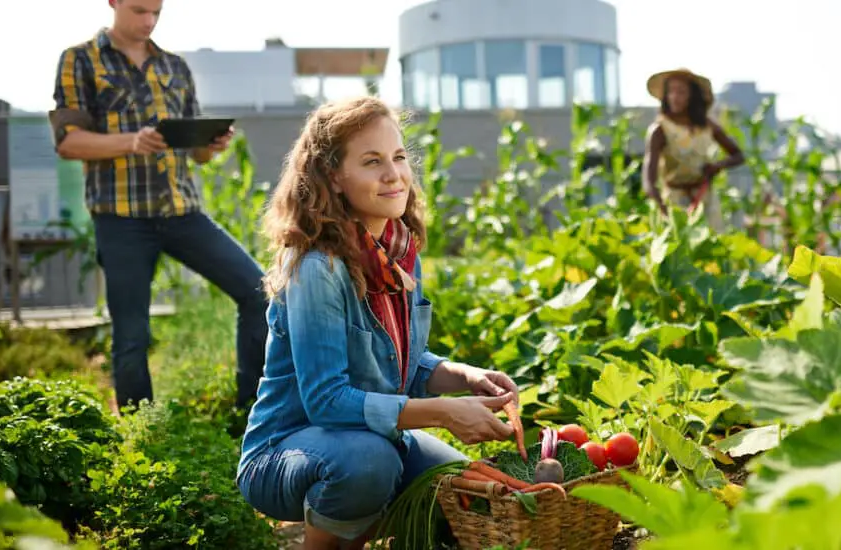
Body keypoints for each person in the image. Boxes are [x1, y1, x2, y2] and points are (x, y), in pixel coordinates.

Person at [234, 96, 521, 550]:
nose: (394, 174)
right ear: (333, 177)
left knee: (461, 494)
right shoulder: (317, 268)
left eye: (399, 157)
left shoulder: (398, 252)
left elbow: (400, 360)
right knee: (369, 465)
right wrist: (444, 413)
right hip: (287, 452)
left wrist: (464, 377)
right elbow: (327, 401)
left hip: (378, 439)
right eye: (372, 162)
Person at [48, 0, 268, 412]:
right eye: (138, 11)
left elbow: (198, 156)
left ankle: (250, 412)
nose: (148, 21)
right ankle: (139, 430)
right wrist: (131, 141)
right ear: (113, 3)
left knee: (259, 291)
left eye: (156, 12)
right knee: (131, 335)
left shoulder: (175, 67)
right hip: (121, 219)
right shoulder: (79, 60)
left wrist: (211, 144)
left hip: (182, 212)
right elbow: (68, 142)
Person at [642, 67, 746, 232]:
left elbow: (738, 155)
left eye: (681, 92)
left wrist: (717, 167)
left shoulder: (706, 126)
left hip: (705, 197)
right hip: (674, 201)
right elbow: (649, 181)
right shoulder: (660, 130)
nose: (674, 97)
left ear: (693, 96)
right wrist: (662, 208)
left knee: (713, 246)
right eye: (671, 92)